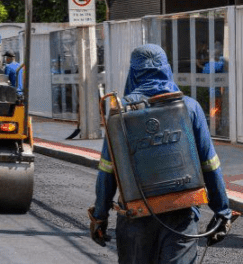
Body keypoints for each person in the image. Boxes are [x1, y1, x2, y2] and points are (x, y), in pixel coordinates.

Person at [89, 44, 232, 263]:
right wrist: (222, 211)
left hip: (135, 218)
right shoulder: (189, 108)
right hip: (181, 215)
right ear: (166, 69)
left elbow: (108, 170)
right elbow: (209, 164)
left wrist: (99, 217)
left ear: (133, 73)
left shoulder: (119, 113)